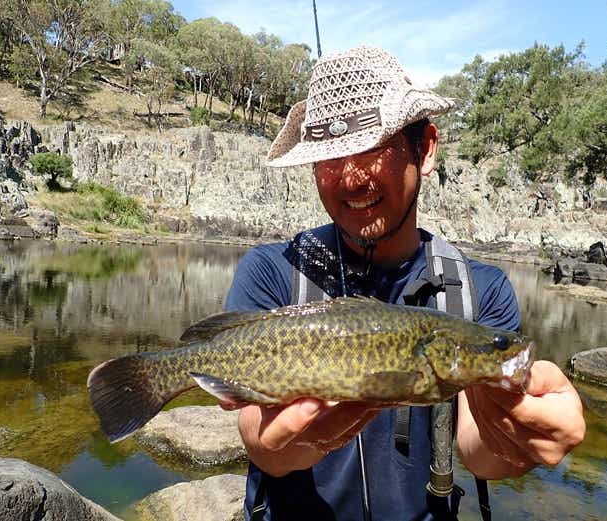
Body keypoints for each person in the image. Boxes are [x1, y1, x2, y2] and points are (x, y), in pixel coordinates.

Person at [224, 46, 585, 521]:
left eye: (373, 146)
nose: (351, 178)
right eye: (330, 157)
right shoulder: (271, 272)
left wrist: (516, 441)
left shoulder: (481, 291)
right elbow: (260, 439)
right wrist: (280, 446)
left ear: (426, 148)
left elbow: (477, 451)